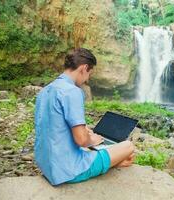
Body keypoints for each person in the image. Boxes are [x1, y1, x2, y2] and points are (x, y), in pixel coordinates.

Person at [34, 48, 135, 186]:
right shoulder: (72, 92)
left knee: (92, 145)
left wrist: (85, 132)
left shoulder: (45, 91)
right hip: (69, 170)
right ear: (84, 68)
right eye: (89, 74)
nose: (87, 79)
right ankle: (112, 163)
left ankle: (112, 162)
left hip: (47, 166)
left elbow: (53, 126)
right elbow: (82, 140)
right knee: (128, 146)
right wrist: (92, 140)